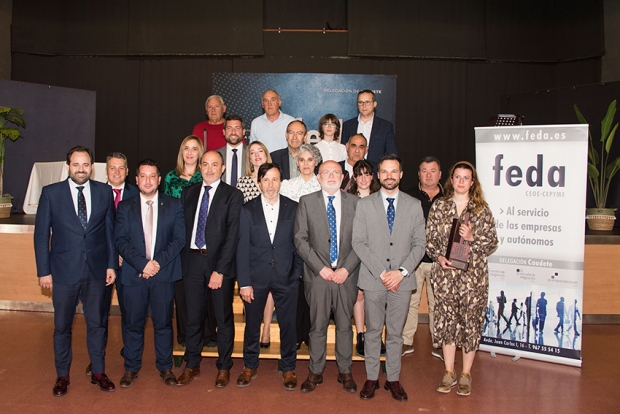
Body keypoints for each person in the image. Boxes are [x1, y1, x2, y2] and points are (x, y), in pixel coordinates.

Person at [34, 145, 117, 397]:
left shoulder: (104, 192)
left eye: (85, 165)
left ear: (92, 167)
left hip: (96, 271)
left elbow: (110, 233)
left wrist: (111, 264)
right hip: (62, 273)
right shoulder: (51, 193)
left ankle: (99, 372)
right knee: (61, 327)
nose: (81, 169)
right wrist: (43, 271)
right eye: (76, 164)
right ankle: (62, 376)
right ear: (68, 166)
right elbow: (41, 236)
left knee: (97, 325)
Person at [352, 153, 426, 402]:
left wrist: (401, 272)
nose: (389, 176)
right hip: (374, 279)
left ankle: (393, 379)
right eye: (384, 171)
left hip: (402, 281)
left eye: (394, 171)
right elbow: (358, 242)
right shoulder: (364, 205)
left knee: (395, 334)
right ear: (378, 174)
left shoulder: (413, 205)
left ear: (401, 175)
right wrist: (383, 273)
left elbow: (420, 244)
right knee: (373, 331)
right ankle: (372, 378)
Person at [426, 160, 498, 397]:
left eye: (466, 178)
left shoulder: (481, 210)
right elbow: (430, 240)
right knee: (447, 321)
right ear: (451, 179)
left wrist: (472, 237)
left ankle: (466, 373)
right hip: (446, 275)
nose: (460, 181)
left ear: (472, 182)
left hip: (473, 278)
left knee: (470, 322)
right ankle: (449, 371)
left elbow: (491, 243)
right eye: (457, 177)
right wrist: (438, 257)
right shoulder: (440, 206)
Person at [114, 159, 185, 387]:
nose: (147, 180)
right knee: (132, 323)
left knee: (163, 323)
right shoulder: (125, 207)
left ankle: (165, 367)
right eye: (143, 176)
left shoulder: (174, 205)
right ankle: (131, 368)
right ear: (136, 180)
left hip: (163, 275)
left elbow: (178, 239)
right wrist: (142, 264)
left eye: (152, 176)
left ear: (159, 179)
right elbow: (120, 240)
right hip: (134, 275)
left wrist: (156, 264)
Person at [177, 151, 244, 388]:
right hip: (192, 262)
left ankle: (224, 366)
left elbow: (233, 236)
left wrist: (220, 270)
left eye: (214, 164)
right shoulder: (189, 193)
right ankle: (192, 364)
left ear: (223, 168)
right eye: (205, 164)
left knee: (223, 318)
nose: (209, 168)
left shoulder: (233, 195)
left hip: (218, 265)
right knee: (193, 318)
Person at [295, 161, 361, 393]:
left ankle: (345, 371)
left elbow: (362, 242)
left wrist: (347, 269)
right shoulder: (306, 202)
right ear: (318, 177)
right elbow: (300, 240)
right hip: (318, 276)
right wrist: (320, 268)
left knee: (345, 326)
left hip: (346, 276)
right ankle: (315, 371)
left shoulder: (356, 203)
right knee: (317, 326)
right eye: (326, 173)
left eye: (335, 172)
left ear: (343, 176)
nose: (331, 176)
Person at [236, 163, 302, 390]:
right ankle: (249, 365)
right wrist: (244, 282)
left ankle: (289, 368)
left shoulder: (293, 208)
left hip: (287, 276)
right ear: (259, 182)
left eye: (275, 179)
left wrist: (298, 274)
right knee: (252, 324)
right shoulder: (247, 209)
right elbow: (241, 247)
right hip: (256, 278)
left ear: (281, 182)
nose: (271, 184)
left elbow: (300, 244)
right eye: (266, 180)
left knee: (288, 325)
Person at [84, 152, 139, 377]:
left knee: (130, 312)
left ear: (127, 172)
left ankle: (130, 353)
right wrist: (111, 255)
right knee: (99, 313)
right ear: (105, 171)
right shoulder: (94, 193)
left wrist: (125, 254)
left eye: (121, 168)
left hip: (129, 264)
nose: (116, 172)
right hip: (101, 264)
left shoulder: (138, 194)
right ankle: (97, 357)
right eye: (112, 168)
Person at [163, 136, 217, 349]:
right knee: (183, 293)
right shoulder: (170, 177)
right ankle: (185, 336)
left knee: (205, 293)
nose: (190, 152)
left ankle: (207, 335)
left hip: (201, 240)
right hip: (177, 241)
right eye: (186, 148)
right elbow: (165, 208)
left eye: (195, 149)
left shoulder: (204, 176)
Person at [279, 143, 322, 349]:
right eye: (302, 160)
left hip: (315, 247)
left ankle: (310, 333)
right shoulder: (286, 185)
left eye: (310, 160)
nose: (306, 163)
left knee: (311, 291)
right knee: (294, 290)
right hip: (290, 244)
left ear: (316, 162)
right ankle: (295, 335)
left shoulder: (322, 185)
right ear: (297, 163)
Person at [235, 140, 276, 348]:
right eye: (252, 152)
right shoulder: (243, 182)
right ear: (248, 158)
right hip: (252, 248)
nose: (257, 155)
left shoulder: (276, 178)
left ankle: (267, 329)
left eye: (261, 150)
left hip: (272, 249)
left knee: (269, 292)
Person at [402, 156, 443, 360]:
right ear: (418, 174)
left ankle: (439, 342)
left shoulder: (449, 198)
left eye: (432, 171)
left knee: (439, 303)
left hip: (440, 261)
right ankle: (406, 340)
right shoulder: (408, 196)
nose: (428, 175)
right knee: (410, 302)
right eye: (424, 171)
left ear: (440, 174)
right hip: (414, 260)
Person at [347, 160, 380, 357]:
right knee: (358, 295)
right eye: (360, 174)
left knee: (374, 296)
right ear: (354, 177)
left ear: (373, 176)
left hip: (376, 255)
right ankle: (361, 335)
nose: (364, 178)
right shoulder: (348, 198)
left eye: (367, 174)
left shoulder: (380, 198)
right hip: (354, 253)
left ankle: (375, 335)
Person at [340, 90, 397, 168]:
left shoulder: (386, 126)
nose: (364, 105)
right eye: (361, 102)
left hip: (375, 173)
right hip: (351, 172)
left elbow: (391, 154)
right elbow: (343, 152)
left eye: (367, 102)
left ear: (374, 104)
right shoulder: (348, 125)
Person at [216, 114, 247, 187]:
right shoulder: (216, 155)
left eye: (237, 128)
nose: (233, 132)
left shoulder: (252, 154)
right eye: (229, 128)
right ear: (224, 132)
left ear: (243, 131)